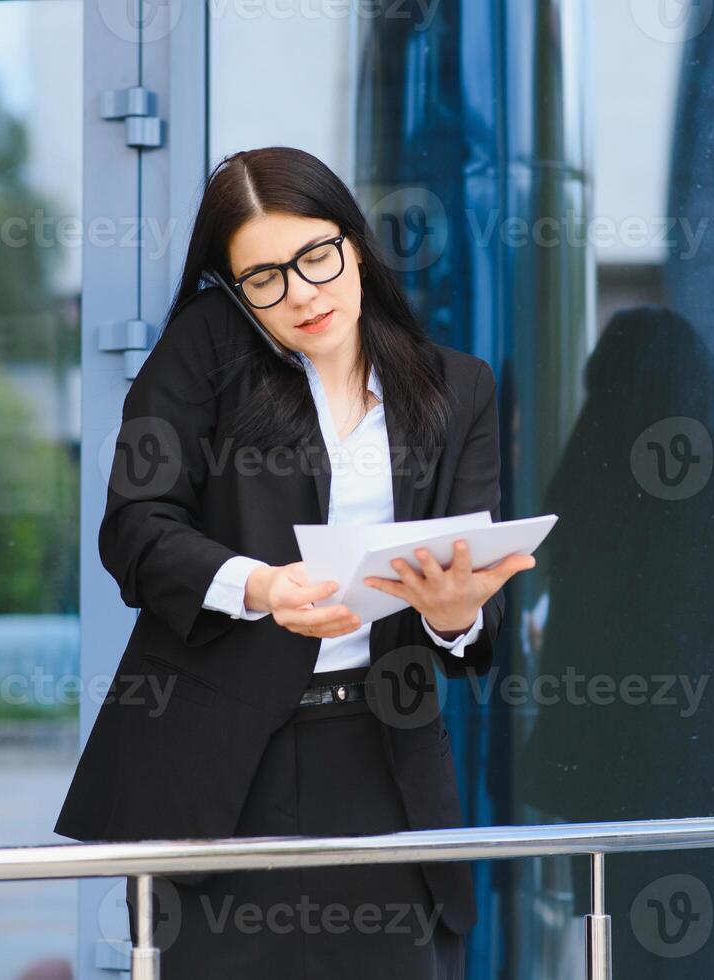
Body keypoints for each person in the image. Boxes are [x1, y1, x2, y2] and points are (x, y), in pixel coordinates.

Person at [53, 145, 535, 979]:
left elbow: (470, 605)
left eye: (315, 255)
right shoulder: (205, 353)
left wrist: (455, 613)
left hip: (386, 756)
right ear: (234, 292)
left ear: (353, 242)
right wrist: (259, 587)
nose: (302, 293)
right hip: (226, 766)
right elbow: (133, 528)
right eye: (265, 278)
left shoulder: (459, 390)